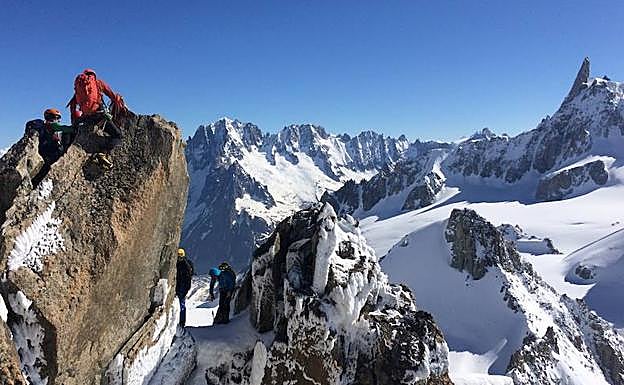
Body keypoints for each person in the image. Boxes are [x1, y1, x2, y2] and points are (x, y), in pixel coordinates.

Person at [66, 68, 127, 141]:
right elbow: (112, 96)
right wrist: (120, 101)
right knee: (118, 135)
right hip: (99, 115)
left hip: (86, 118)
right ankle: (105, 150)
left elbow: (72, 105)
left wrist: (74, 121)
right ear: (94, 75)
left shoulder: (79, 87)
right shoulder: (98, 83)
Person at [27, 108, 75, 185]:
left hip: (46, 154)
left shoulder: (45, 128)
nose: (57, 120)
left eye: (58, 118)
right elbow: (64, 128)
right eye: (56, 118)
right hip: (46, 155)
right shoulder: (46, 126)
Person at [175, 248, 194, 327]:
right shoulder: (186, 264)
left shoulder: (184, 265)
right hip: (181, 287)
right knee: (181, 305)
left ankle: (182, 322)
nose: (178, 258)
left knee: (181, 305)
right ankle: (181, 322)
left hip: (181, 288)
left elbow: (186, 278)